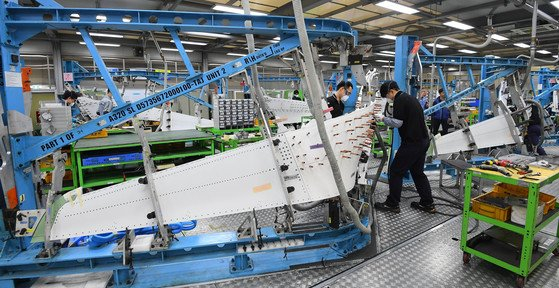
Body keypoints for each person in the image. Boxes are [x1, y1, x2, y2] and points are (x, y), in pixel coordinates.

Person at [373, 81, 435, 214]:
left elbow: (398, 123)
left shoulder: (399, 100)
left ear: (391, 91)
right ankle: (427, 204)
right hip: (423, 141)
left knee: (395, 171)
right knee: (418, 173)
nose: (388, 99)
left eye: (387, 96)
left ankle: (392, 204)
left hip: (412, 143)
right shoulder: (410, 98)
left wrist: (382, 118)